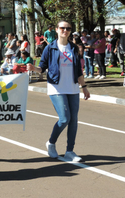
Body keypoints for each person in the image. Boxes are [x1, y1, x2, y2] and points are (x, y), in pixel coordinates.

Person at [27, 20, 90, 162]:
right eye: (62, 28)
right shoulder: (50, 48)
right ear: (56, 29)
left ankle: (70, 151)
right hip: (56, 87)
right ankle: (51, 142)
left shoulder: (74, 47)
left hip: (72, 87)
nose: (65, 30)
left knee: (73, 120)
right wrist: (33, 68)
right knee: (64, 118)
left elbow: (78, 70)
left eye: (68, 28)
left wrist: (84, 87)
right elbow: (42, 68)